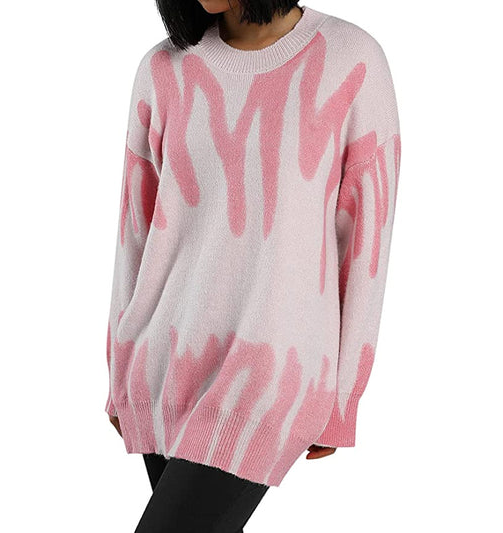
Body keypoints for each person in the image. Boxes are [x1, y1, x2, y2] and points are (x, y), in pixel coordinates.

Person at [104, 1, 402, 531]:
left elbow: (365, 243)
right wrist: (121, 374)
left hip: (271, 380)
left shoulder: (350, 60)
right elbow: (134, 233)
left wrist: (344, 396)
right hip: (163, 368)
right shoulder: (162, 68)